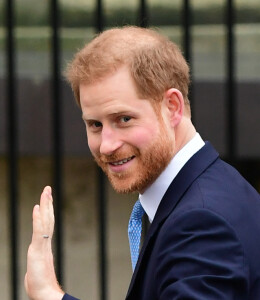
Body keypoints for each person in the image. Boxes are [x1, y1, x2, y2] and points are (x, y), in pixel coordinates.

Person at [24, 26, 260, 300]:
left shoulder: (201, 222)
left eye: (124, 119)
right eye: (95, 124)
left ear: (173, 106)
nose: (107, 145)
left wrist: (51, 296)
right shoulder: (210, 191)